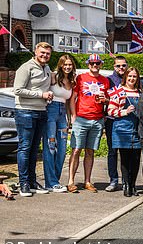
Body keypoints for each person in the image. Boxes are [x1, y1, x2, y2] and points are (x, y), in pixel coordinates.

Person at [14, 42, 53, 196]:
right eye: (42, 52)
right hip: (25, 112)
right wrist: (40, 95)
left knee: (35, 149)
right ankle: (23, 183)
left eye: (47, 53)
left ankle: (32, 182)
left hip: (41, 111)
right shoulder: (26, 67)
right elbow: (17, 90)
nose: (45, 55)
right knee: (25, 148)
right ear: (36, 52)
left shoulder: (47, 68)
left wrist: (48, 95)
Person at [68, 54, 110, 194]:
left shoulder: (105, 81)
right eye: (92, 63)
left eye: (97, 63)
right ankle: (71, 181)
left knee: (90, 151)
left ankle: (87, 181)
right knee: (76, 150)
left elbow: (108, 100)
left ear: (101, 64)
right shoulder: (81, 78)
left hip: (97, 119)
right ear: (88, 64)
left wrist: (105, 100)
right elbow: (73, 97)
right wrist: (73, 116)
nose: (94, 65)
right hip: (81, 118)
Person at [43, 55, 75, 193]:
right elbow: (43, 89)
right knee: (50, 147)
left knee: (62, 148)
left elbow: (67, 101)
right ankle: (51, 182)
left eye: (70, 65)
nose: (67, 67)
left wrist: (69, 118)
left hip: (62, 114)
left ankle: (54, 180)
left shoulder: (71, 81)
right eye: (65, 64)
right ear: (61, 65)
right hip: (51, 111)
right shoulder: (53, 76)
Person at [108, 67, 142, 197]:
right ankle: (126, 185)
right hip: (122, 128)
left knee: (136, 158)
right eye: (130, 76)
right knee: (125, 158)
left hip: (137, 129)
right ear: (125, 77)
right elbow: (110, 111)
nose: (132, 79)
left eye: (134, 76)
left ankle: (133, 185)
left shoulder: (140, 92)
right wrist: (124, 111)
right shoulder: (119, 91)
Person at [104, 55, 128, 192]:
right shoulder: (109, 80)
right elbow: (104, 98)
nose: (121, 68)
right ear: (114, 67)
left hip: (126, 120)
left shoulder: (130, 79)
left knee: (125, 152)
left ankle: (126, 180)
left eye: (123, 65)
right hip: (112, 120)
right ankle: (113, 180)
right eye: (118, 65)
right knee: (112, 151)